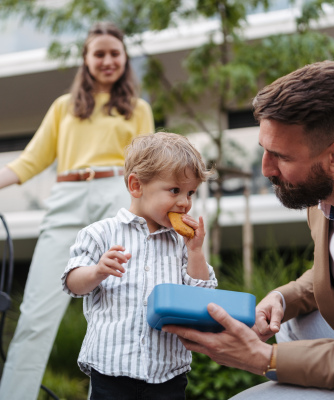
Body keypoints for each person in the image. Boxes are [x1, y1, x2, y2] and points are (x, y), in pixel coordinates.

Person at [163, 60, 334, 399]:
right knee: (290, 325)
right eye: (264, 151)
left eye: (281, 156)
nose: (266, 170)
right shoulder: (323, 192)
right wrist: (283, 297)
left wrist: (266, 358)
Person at [0, 22, 154, 400]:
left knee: (120, 310)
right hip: (67, 197)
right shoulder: (63, 108)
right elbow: (29, 162)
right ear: (86, 60)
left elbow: (148, 169)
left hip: (116, 197)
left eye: (114, 54)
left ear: (124, 59)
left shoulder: (138, 110)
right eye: (99, 53)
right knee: (36, 315)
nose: (107, 60)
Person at [61, 132, 218, 399]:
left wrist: (195, 251)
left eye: (191, 192)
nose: (184, 202)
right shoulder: (100, 234)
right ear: (136, 186)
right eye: (175, 190)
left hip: (167, 373)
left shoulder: (182, 242)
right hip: (110, 369)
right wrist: (98, 271)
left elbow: (203, 294)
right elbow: (72, 283)